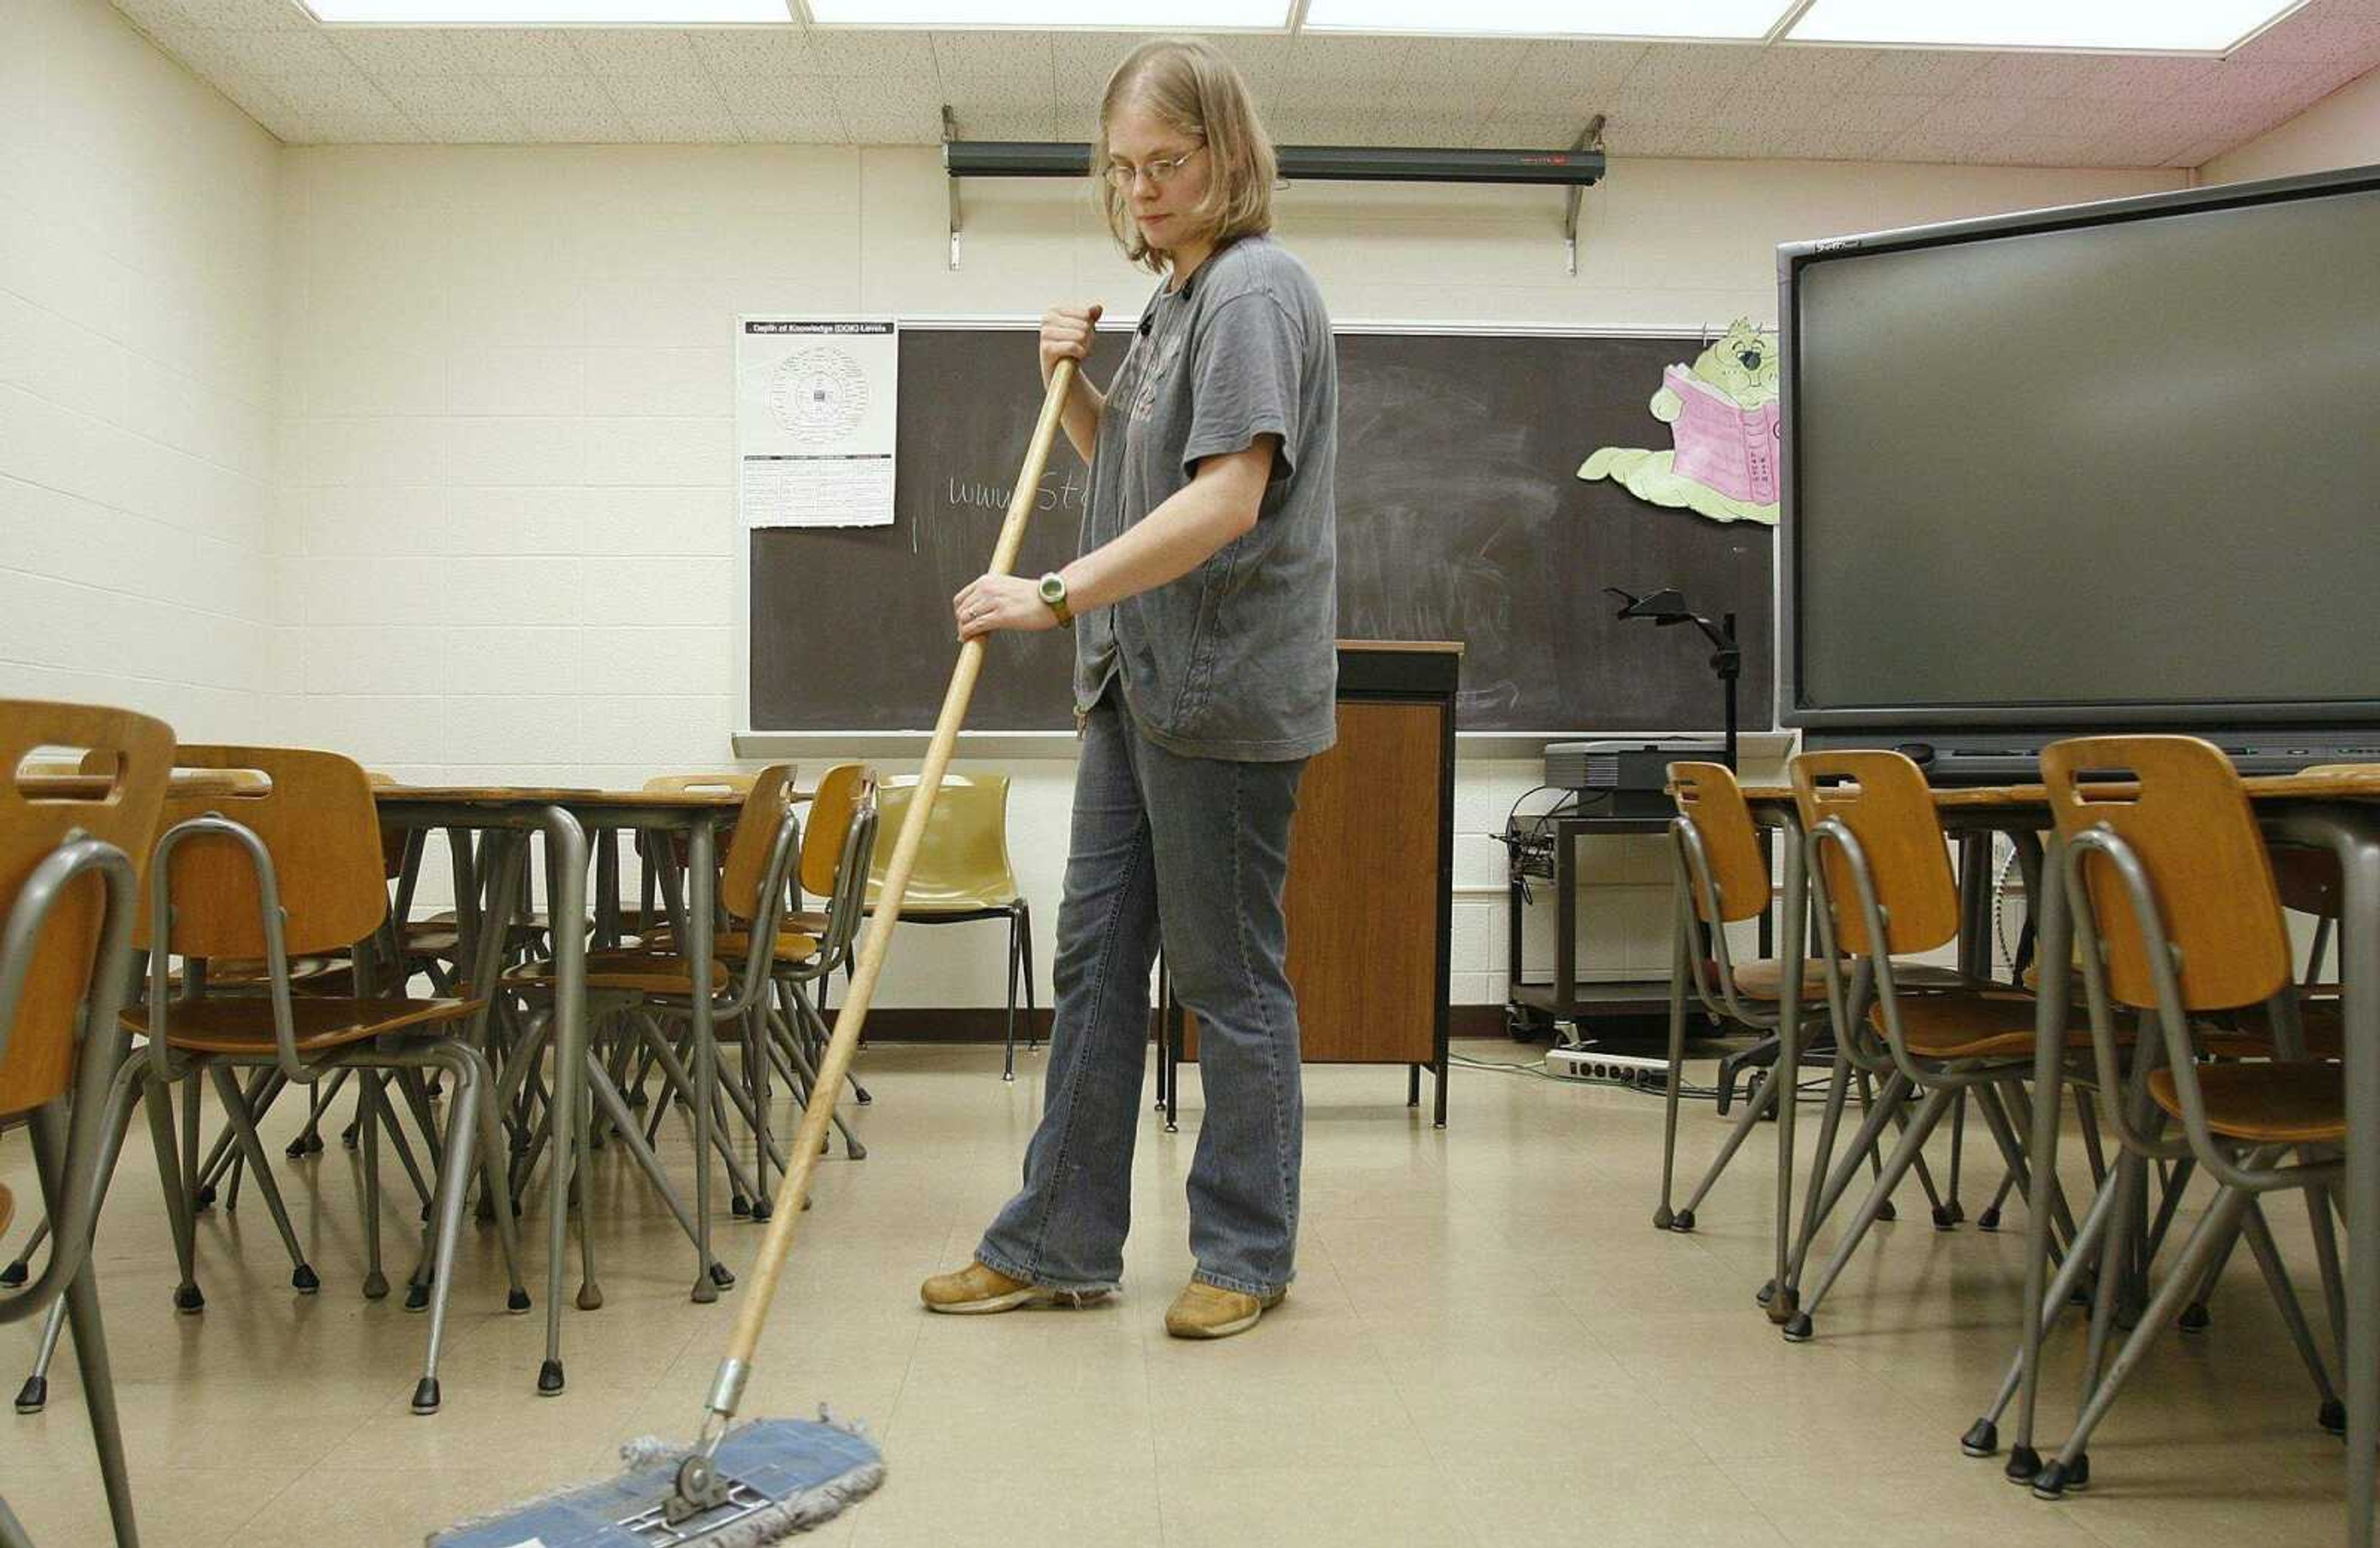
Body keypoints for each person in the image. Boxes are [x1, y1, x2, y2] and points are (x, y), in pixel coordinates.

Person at [919, 36, 1338, 1341]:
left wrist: (1049, 596)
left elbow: (1226, 499)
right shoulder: (1173, 305)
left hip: (1216, 698)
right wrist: (1080, 393)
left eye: (1166, 163)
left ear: (1225, 153)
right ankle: (1058, 1239)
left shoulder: (1256, 290)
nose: (1143, 192)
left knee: (1226, 977)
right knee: (1096, 964)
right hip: (1134, 687)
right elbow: (1145, 479)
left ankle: (1247, 1253)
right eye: (1123, 171)